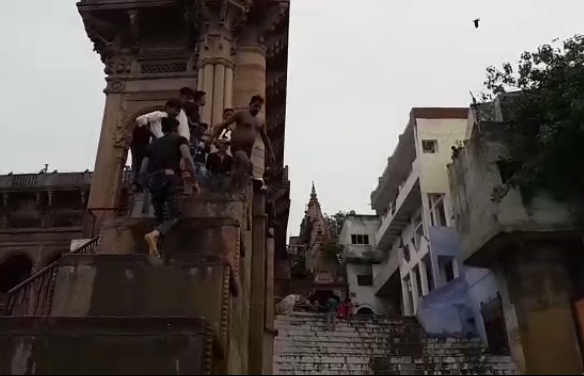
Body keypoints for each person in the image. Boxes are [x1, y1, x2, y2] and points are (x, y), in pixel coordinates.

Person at [140, 117, 199, 259]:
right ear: (175, 128)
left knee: (160, 218)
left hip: (154, 180)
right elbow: (187, 159)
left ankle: (156, 250)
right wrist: (194, 181)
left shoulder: (152, 146)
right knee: (176, 214)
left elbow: (143, 169)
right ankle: (153, 235)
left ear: (162, 128)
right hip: (171, 179)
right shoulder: (179, 140)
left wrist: (147, 183)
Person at [209, 96, 275, 190]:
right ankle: (228, 187)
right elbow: (224, 125)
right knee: (247, 164)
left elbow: (265, 137)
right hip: (237, 147)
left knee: (242, 170)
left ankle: (233, 188)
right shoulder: (241, 114)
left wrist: (270, 151)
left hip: (248, 150)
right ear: (250, 104)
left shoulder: (260, 121)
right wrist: (211, 138)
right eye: (255, 106)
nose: (257, 108)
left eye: (259, 107)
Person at [131, 99, 182, 190]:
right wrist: (154, 135)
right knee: (146, 169)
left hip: (164, 151)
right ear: (168, 107)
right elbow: (140, 119)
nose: (177, 113)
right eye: (176, 110)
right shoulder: (159, 115)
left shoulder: (173, 122)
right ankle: (139, 184)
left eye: (179, 111)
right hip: (155, 148)